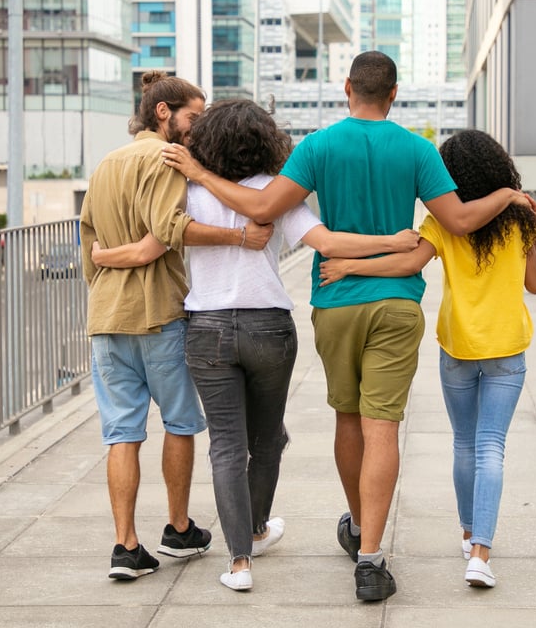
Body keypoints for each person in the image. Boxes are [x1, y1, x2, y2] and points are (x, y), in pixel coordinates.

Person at [161, 52, 530, 601]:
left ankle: (358, 526)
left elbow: (263, 206)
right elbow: (458, 221)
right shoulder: (418, 150)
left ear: (346, 88)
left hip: (335, 300)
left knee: (349, 420)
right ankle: (371, 557)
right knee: (384, 426)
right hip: (397, 304)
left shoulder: (317, 147)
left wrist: (199, 173)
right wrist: (505, 194)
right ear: (395, 94)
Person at [91, 99, 419, 592]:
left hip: (206, 327)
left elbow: (158, 239)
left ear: (208, 141)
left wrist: (101, 254)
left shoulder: (188, 189)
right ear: (266, 140)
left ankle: (239, 562)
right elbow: (327, 244)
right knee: (267, 440)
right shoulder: (274, 192)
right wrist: (393, 243)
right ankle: (257, 527)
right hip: (269, 327)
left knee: (226, 445)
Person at [318, 129, 536, 588]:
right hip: (508, 349)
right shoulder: (523, 220)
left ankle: (468, 532)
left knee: (465, 444)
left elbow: (405, 264)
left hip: (458, 348)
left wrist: (349, 266)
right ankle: (479, 551)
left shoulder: (442, 223)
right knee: (491, 447)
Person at [78, 71, 274, 582]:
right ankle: (179, 528)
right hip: (159, 313)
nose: (196, 127)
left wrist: (108, 261)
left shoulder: (106, 164)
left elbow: (90, 246)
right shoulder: (164, 161)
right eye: (192, 116)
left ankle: (125, 547)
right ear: (163, 112)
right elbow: (169, 231)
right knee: (181, 423)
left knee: (121, 433)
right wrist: (237, 238)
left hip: (105, 317)